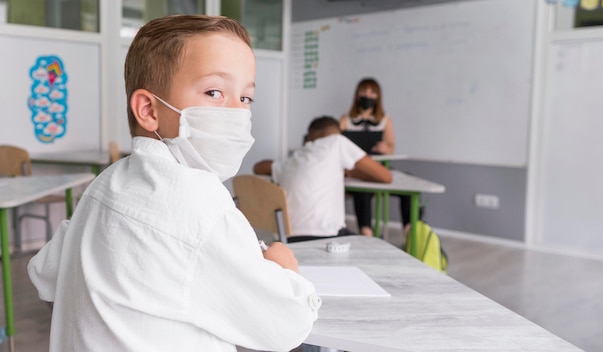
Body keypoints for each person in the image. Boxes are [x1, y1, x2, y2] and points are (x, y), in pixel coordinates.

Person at [27, 15, 320, 352]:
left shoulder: (105, 183)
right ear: (149, 109)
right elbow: (286, 325)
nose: (236, 113)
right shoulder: (200, 203)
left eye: (245, 98)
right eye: (214, 92)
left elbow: (44, 274)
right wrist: (286, 269)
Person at [253, 116, 392, 243]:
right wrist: (352, 173)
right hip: (326, 236)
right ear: (336, 132)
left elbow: (258, 167)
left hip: (288, 238)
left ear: (309, 136)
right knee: (370, 246)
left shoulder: (296, 157)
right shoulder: (337, 141)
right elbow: (385, 176)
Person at [339, 77, 412, 237]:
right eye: (364, 92)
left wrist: (386, 148)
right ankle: (367, 233)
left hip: (378, 169)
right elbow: (336, 144)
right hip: (356, 171)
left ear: (378, 97)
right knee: (362, 189)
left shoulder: (385, 120)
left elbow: (391, 146)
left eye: (372, 93)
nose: (367, 96)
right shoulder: (345, 120)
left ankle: (410, 232)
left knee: (408, 187)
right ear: (357, 95)